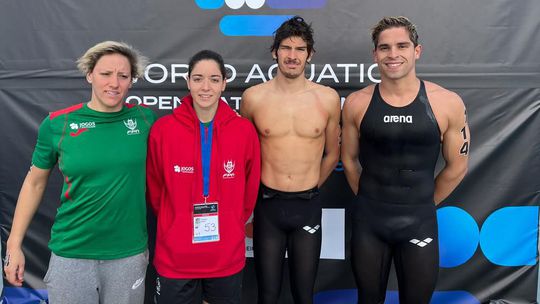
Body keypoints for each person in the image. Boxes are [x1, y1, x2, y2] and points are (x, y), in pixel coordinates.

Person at [4, 41, 155, 304]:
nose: (114, 83)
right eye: (105, 74)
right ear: (89, 75)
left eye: (123, 76)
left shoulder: (145, 120)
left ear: (132, 80)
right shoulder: (57, 124)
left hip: (127, 253)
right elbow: (35, 184)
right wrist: (14, 245)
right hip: (71, 252)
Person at [341, 16, 470, 303]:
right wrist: (371, 201)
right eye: (384, 48)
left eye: (402, 45)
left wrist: (421, 203)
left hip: (419, 220)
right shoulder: (357, 103)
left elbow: (458, 165)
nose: (393, 54)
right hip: (369, 222)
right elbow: (349, 161)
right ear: (375, 54)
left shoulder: (447, 102)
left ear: (417, 51)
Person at [146, 50, 261, 304]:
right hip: (175, 256)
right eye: (198, 79)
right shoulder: (162, 130)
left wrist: (231, 221)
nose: (205, 87)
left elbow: (250, 190)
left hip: (225, 256)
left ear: (224, 83)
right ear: (187, 82)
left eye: (213, 79)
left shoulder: (243, 131)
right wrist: (175, 221)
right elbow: (156, 192)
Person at [240, 16, 341, 304]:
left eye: (300, 49)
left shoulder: (327, 98)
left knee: (304, 295)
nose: (292, 56)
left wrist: (311, 186)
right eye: (286, 48)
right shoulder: (254, 98)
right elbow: (244, 153)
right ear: (275, 51)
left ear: (310, 54)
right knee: (267, 295)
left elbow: (333, 152)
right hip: (268, 206)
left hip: (307, 207)